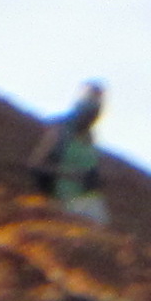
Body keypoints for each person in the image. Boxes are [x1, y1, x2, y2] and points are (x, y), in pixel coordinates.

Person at [27, 82, 111, 226]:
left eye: (97, 110)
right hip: (59, 198)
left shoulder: (90, 138)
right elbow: (36, 165)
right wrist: (70, 174)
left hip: (82, 198)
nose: (93, 115)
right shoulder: (60, 130)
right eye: (90, 109)